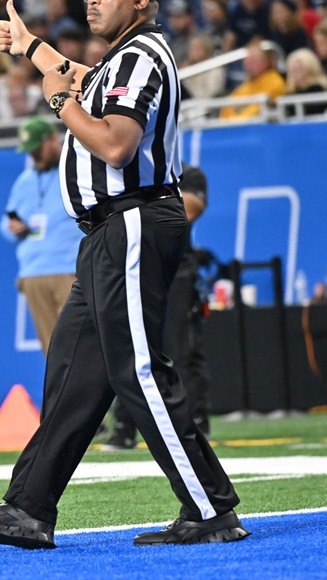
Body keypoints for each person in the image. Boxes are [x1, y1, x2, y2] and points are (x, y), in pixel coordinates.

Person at [0, 0, 248, 549]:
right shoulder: (124, 58)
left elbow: (116, 145)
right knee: (73, 372)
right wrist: (31, 44)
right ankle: (29, 509)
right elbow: (78, 76)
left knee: (137, 369)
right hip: (109, 231)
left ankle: (210, 508)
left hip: (134, 220)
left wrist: (57, 105)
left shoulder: (142, 56)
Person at [102, 162, 214, 449]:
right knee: (131, 349)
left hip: (174, 269)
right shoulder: (125, 172)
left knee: (181, 347)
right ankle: (125, 425)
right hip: (133, 266)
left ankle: (194, 421)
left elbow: (186, 211)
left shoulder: (186, 172)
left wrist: (140, 203)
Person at [0, 116, 81, 356]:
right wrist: (12, 226)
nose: (34, 155)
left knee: (81, 343)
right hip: (33, 272)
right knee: (52, 349)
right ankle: (63, 394)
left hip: (69, 268)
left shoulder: (75, 171)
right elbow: (7, 220)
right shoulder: (24, 181)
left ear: (53, 140)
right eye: (30, 151)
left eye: (38, 149)